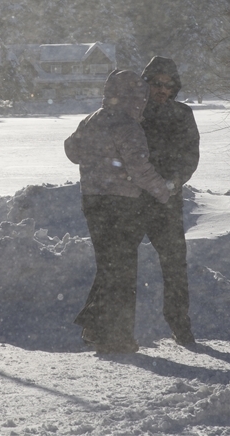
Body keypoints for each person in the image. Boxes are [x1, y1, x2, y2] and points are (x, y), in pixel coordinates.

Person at [65, 70, 170, 354]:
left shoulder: (92, 120)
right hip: (121, 204)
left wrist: (96, 152)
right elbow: (139, 169)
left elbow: (71, 150)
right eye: (140, 96)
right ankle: (116, 336)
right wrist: (163, 191)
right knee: (122, 273)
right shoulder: (127, 126)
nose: (143, 101)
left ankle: (98, 329)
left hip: (92, 200)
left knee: (109, 267)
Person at [140, 56, 200, 346]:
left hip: (167, 202)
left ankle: (180, 324)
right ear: (146, 84)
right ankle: (108, 328)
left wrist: (174, 183)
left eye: (168, 84)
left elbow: (190, 155)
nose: (162, 89)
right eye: (156, 83)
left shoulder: (182, 114)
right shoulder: (133, 112)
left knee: (175, 265)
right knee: (118, 265)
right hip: (132, 199)